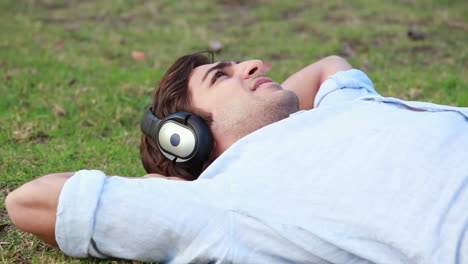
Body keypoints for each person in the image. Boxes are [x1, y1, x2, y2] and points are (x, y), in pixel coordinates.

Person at [5, 53, 468, 263]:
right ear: (187, 136)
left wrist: (262, 107)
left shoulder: (340, 108)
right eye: (220, 76)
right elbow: (30, 202)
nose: (255, 65)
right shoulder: (226, 198)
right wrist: (179, 186)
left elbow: (330, 65)